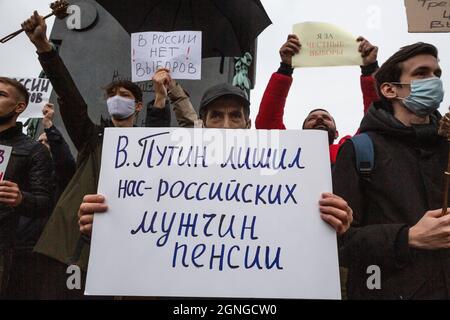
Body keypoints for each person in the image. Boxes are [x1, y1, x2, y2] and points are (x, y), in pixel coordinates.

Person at [78, 83, 353, 246]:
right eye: (216, 116)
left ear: (247, 124)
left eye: (235, 116)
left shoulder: (278, 175)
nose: (226, 125)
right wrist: (103, 226)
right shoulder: (171, 172)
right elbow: (139, 225)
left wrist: (334, 226)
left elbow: (299, 233)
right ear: (204, 123)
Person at [21, 11, 173, 290]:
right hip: (72, 246)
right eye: (112, 96)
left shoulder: (147, 146)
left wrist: (161, 98)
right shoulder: (92, 138)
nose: (117, 100)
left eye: (125, 96)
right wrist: (45, 48)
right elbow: (70, 98)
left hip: (126, 244)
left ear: (138, 106)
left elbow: (157, 139)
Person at [333, 42, 450, 299]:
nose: (434, 81)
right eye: (421, 73)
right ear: (389, 89)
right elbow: (340, 243)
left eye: (437, 74)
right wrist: (407, 237)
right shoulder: (360, 150)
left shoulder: (447, 147)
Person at [255, 34, 380, 164]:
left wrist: (369, 68)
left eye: (326, 118)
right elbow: (267, 122)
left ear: (337, 134)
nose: (319, 119)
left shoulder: (353, 150)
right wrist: (285, 68)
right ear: (302, 132)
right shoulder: (287, 153)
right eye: (312, 118)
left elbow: (375, 121)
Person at [0, 77, 53, 299]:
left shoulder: (33, 151)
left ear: (19, 107)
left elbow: (44, 202)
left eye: (1, 95)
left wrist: (21, 199)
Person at [38, 103, 76, 201]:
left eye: (47, 141)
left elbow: (65, 161)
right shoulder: (30, 169)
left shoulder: (61, 173)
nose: (42, 144)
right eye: (40, 141)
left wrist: (47, 124)